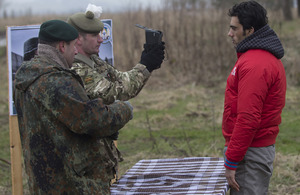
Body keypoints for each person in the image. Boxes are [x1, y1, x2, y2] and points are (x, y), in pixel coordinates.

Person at [13, 20, 133, 194]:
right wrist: (124, 109)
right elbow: (93, 120)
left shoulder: (24, 79)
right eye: (73, 47)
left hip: (43, 181)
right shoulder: (57, 81)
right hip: (71, 184)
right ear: (62, 46)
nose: (76, 51)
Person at [67, 4, 165, 184]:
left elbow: (121, 80)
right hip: (84, 158)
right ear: (78, 39)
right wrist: (146, 65)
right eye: (95, 35)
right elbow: (116, 92)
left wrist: (146, 61)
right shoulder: (77, 69)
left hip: (98, 153)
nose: (100, 39)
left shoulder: (93, 60)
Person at [222, 1, 286, 194]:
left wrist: (232, 160)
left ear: (249, 30)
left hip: (250, 154)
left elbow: (248, 118)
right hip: (249, 150)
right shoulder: (253, 58)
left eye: (234, 28)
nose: (229, 33)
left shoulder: (255, 64)